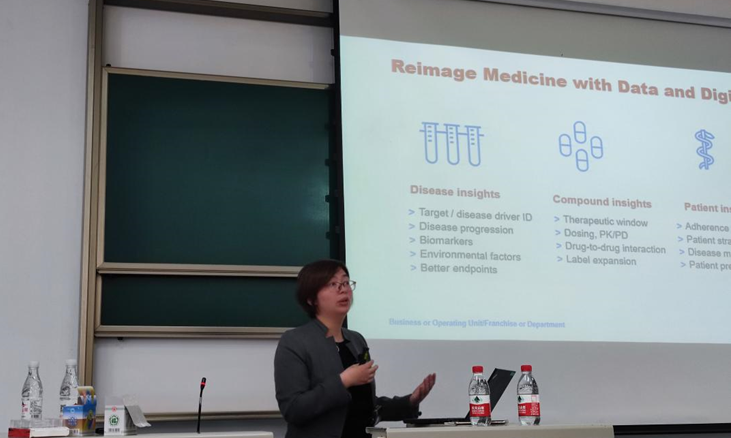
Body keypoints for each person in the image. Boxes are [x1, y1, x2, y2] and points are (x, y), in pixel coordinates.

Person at [274, 259, 436, 438]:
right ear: (311, 299)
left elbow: (365, 405)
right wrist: (343, 381)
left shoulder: (356, 340)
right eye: (333, 284)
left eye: (345, 282)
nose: (343, 289)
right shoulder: (295, 341)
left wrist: (409, 402)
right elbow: (294, 409)